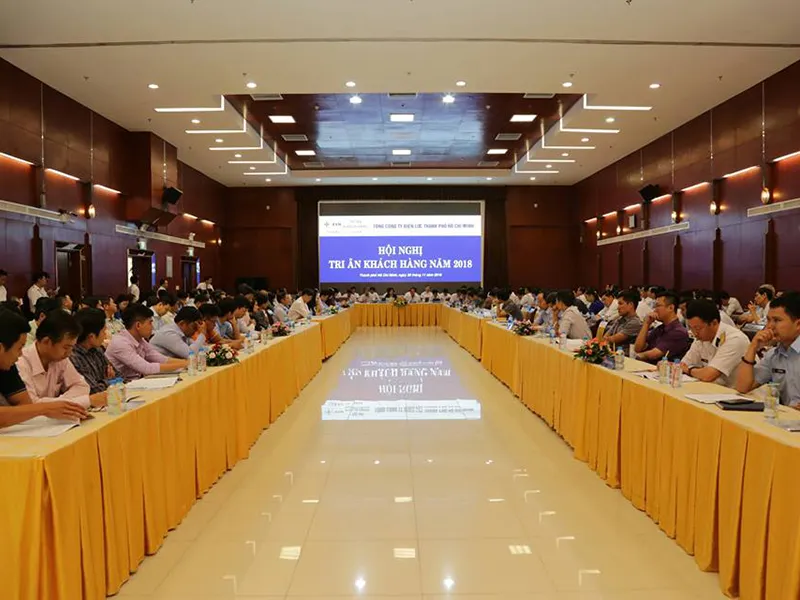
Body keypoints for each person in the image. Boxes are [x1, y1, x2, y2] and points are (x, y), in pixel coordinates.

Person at [0, 309, 87, 427]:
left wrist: (47, 407)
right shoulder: (20, 362)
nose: (20, 354)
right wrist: (45, 408)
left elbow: (26, 405)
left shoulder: (7, 366)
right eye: (19, 348)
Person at [16, 311, 106, 408]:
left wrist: (60, 402)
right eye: (66, 347)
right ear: (46, 341)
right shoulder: (21, 363)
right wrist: (83, 401)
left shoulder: (60, 358)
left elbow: (82, 386)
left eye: (72, 347)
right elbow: (32, 406)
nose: (69, 353)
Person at [736, 291, 800, 407]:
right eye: (769, 320)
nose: (770, 326)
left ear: (798, 324)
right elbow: (743, 387)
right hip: (787, 416)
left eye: (777, 320)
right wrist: (753, 347)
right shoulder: (773, 355)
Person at [106, 304, 188, 380]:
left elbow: (160, 358)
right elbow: (147, 368)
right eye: (150, 323)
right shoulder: (120, 343)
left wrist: (187, 362)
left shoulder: (140, 339)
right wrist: (184, 364)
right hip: (119, 385)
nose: (152, 327)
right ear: (138, 325)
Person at [679, 299, 749, 387]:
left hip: (739, 392)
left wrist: (689, 370)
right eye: (691, 328)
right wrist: (695, 370)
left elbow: (709, 375)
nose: (695, 333)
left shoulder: (735, 339)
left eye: (698, 328)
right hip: (714, 389)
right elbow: (683, 365)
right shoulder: (701, 339)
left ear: (714, 323)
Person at [633, 290, 692, 363]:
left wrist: (637, 356)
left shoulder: (679, 332)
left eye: (658, 306)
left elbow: (654, 354)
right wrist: (646, 324)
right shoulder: (660, 328)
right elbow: (637, 348)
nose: (655, 309)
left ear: (671, 308)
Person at [70, 308, 116, 396]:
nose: (105, 335)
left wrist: (109, 381)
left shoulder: (98, 350)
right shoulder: (73, 357)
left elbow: (118, 375)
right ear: (91, 336)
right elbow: (92, 390)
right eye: (103, 331)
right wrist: (110, 381)